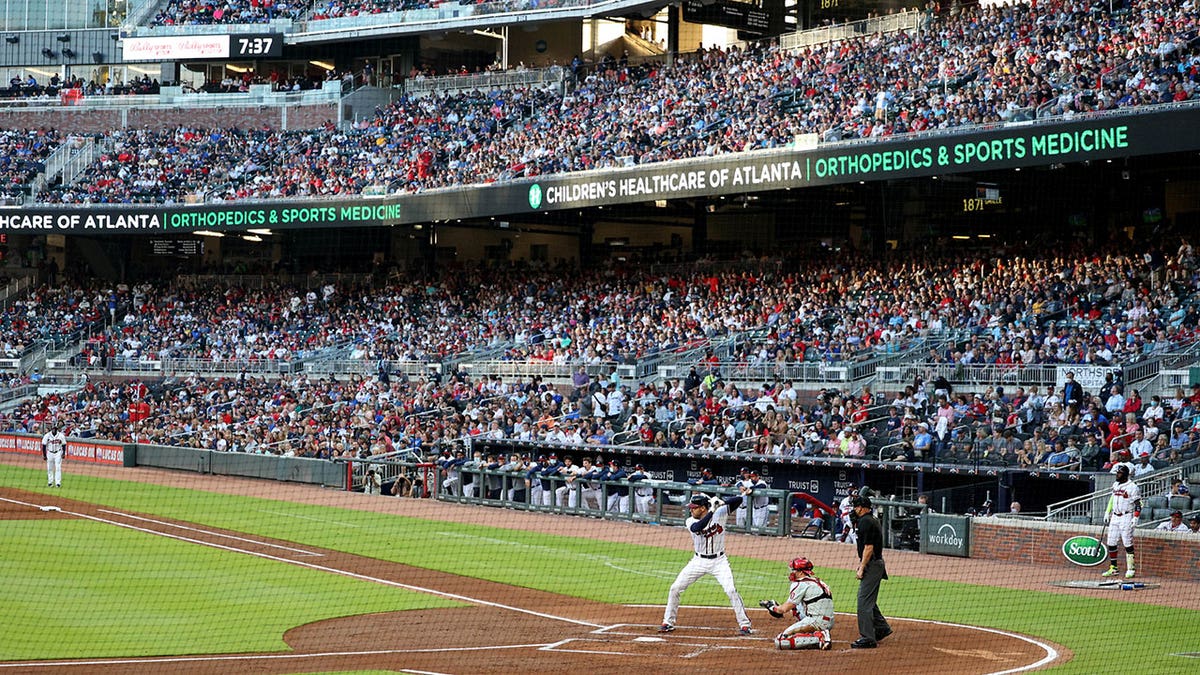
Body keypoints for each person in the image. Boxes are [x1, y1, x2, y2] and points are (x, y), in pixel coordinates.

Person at [660, 493, 753, 636]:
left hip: (719, 561)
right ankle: (668, 622)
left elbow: (739, 500)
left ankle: (745, 624)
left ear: (703, 507)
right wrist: (711, 511)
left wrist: (721, 502)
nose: (691, 510)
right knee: (675, 588)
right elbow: (698, 527)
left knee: (731, 590)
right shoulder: (690, 521)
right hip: (698, 561)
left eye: (694, 507)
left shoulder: (720, 512)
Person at [758, 557, 834, 650]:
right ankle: (816, 633)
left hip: (817, 621)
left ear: (801, 572)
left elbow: (784, 609)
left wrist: (772, 607)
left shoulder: (800, 584)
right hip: (828, 621)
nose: (792, 573)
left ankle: (820, 636)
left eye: (794, 570)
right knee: (796, 606)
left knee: (781, 641)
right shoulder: (817, 581)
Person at [851, 495, 892, 648]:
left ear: (862, 507)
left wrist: (862, 567)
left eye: (856, 506)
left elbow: (869, 547)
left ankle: (868, 637)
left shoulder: (865, 522)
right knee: (869, 599)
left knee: (863, 602)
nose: (854, 509)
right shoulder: (871, 519)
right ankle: (881, 628)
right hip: (875, 563)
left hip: (872, 564)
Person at [1102, 464, 1141, 579]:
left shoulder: (1132, 487)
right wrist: (1107, 512)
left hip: (1126, 516)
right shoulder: (1115, 485)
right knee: (1111, 542)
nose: (1117, 475)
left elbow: (1138, 504)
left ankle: (1131, 568)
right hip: (1115, 516)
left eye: (1119, 473)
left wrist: (1136, 517)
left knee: (1127, 543)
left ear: (1125, 474)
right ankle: (1113, 568)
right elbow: (1112, 499)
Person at [42, 422, 67, 488]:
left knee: (58, 467)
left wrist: (64, 453)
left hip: (58, 453)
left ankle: (58, 483)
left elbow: (64, 445)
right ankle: (50, 482)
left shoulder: (61, 435)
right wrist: (44, 455)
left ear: (57, 429)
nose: (54, 430)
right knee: (50, 468)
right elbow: (44, 445)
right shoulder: (47, 435)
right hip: (49, 452)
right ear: (51, 429)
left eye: (55, 429)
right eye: (53, 429)